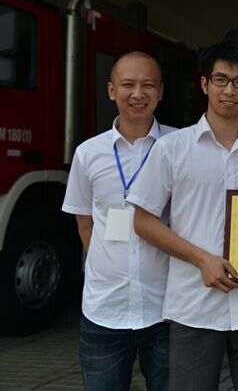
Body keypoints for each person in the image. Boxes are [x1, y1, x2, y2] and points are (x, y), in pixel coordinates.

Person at [127, 40, 238, 391]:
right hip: (194, 305)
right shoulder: (172, 148)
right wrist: (202, 260)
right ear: (204, 84)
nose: (229, 90)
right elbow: (142, 221)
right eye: (221, 79)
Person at [62, 51, 175, 390]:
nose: (138, 94)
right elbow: (85, 223)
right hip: (104, 309)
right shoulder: (88, 153)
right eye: (128, 85)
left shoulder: (180, 146)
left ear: (161, 92)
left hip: (167, 308)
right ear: (111, 90)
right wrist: (108, 266)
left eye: (148, 85)